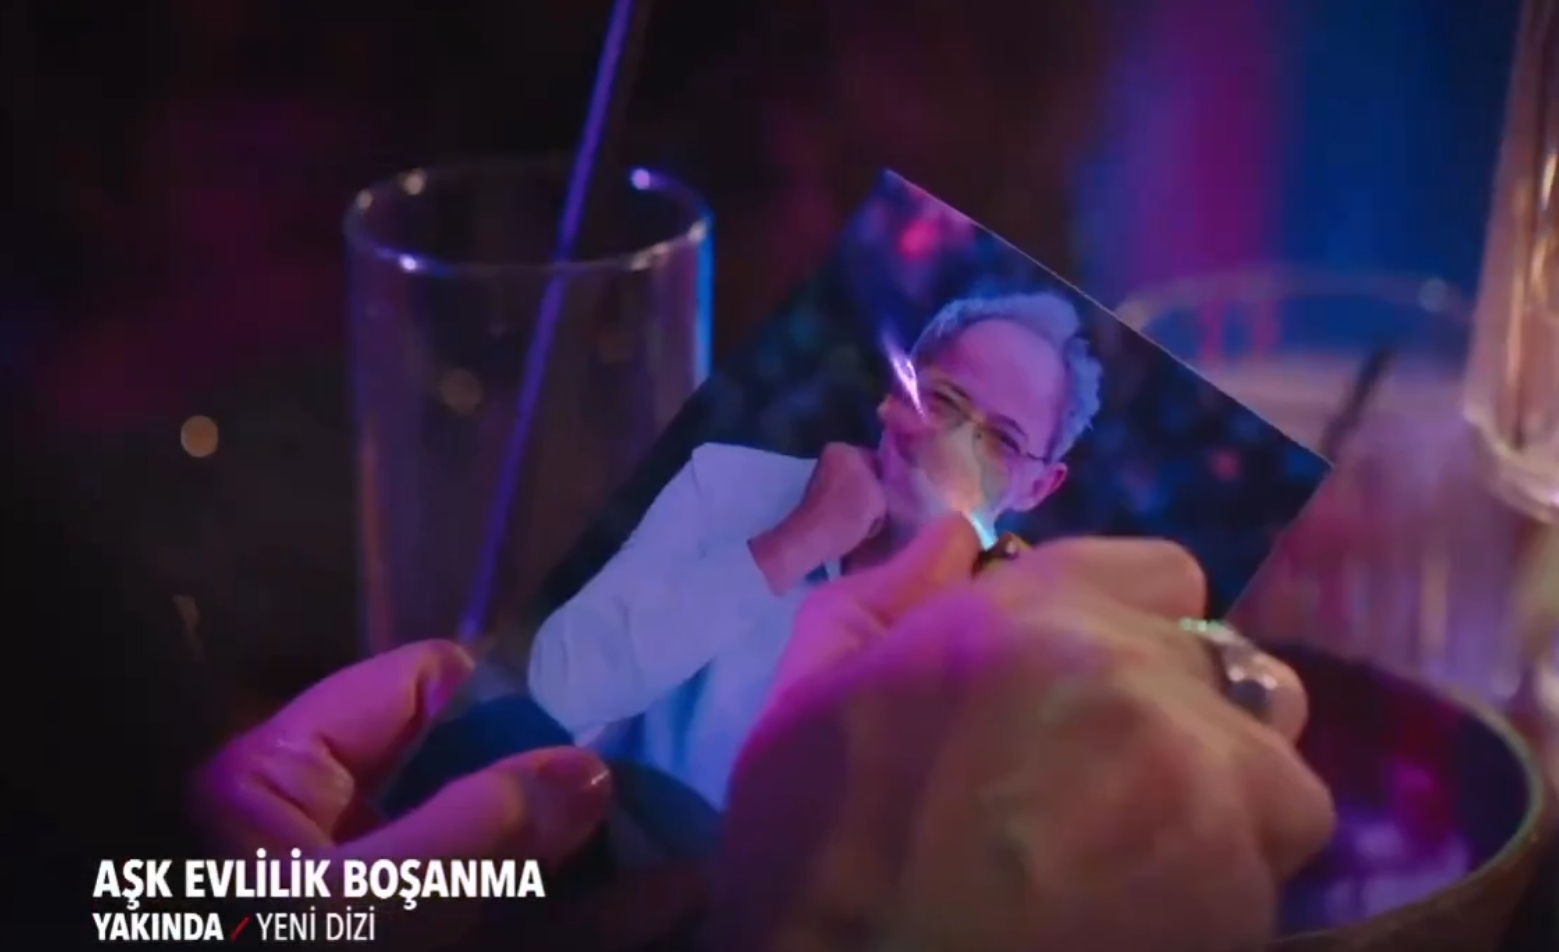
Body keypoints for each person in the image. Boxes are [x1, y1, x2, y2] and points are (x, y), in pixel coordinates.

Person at [525, 292, 1103, 808]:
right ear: (897, 392)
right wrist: (795, 542)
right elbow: (559, 690)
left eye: (1002, 440)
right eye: (944, 400)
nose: (954, 446)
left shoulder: (1005, 644)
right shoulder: (730, 484)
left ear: (1038, 487)